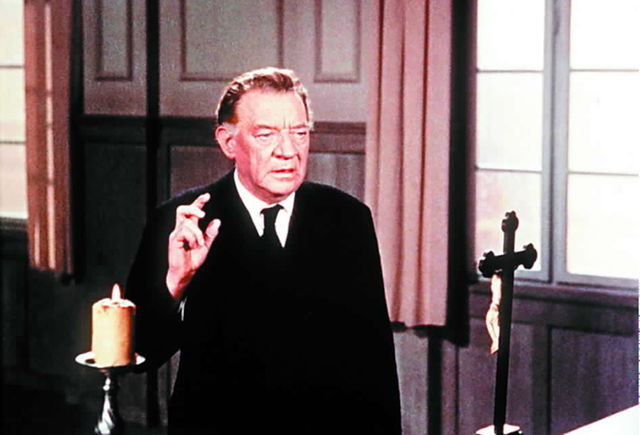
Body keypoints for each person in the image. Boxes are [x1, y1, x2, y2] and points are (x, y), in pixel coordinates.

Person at [126, 67, 401, 435]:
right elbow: (140, 354)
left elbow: (375, 363)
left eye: (299, 133)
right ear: (228, 142)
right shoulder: (182, 221)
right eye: (266, 134)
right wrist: (176, 282)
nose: (288, 151)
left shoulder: (347, 219)